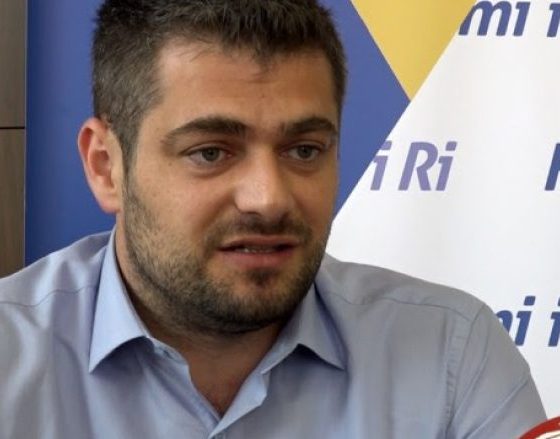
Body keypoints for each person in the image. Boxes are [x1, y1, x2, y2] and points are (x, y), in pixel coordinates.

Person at [0, 0, 546, 437]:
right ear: (106, 167)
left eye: (304, 150)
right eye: (210, 152)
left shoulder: (452, 354)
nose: (268, 198)